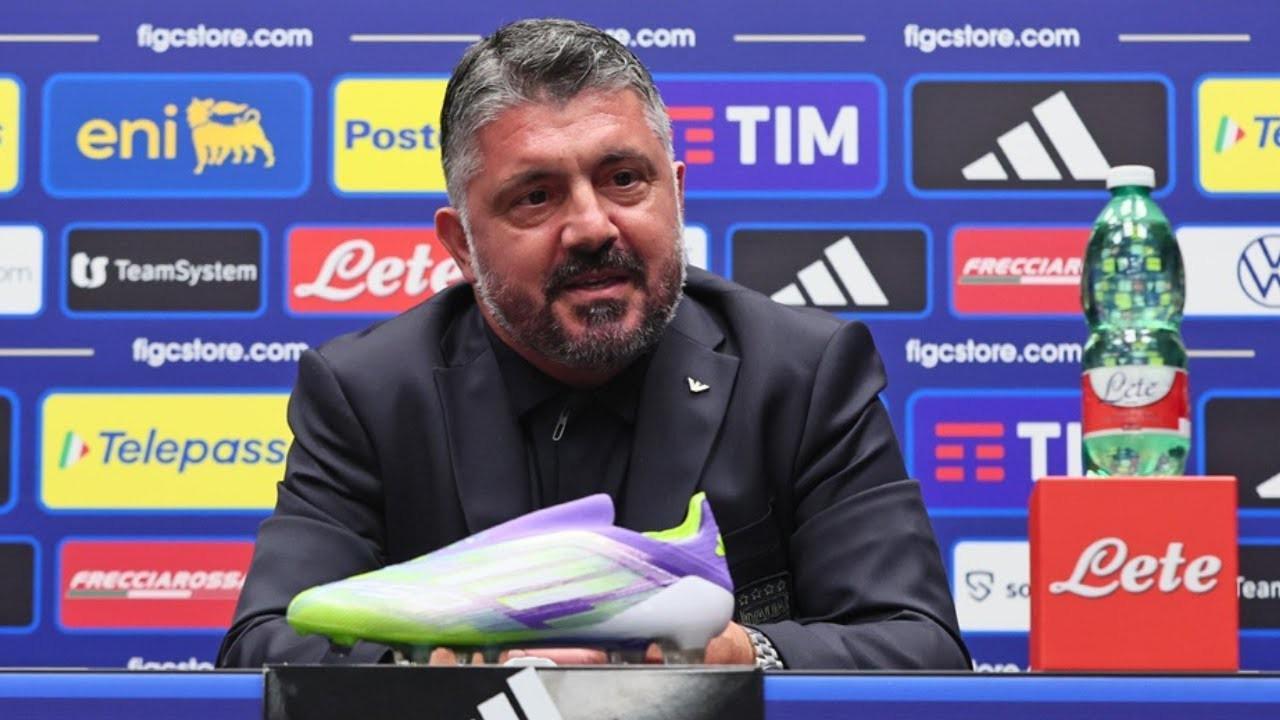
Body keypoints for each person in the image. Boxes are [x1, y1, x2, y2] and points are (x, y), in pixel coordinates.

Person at [219, 18, 968, 670]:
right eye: (536, 196)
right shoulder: (369, 393)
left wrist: (735, 655)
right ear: (461, 245)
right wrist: (445, 667)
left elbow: (919, 648)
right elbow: (265, 646)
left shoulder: (802, 375)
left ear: (676, 194)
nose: (591, 227)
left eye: (624, 179)